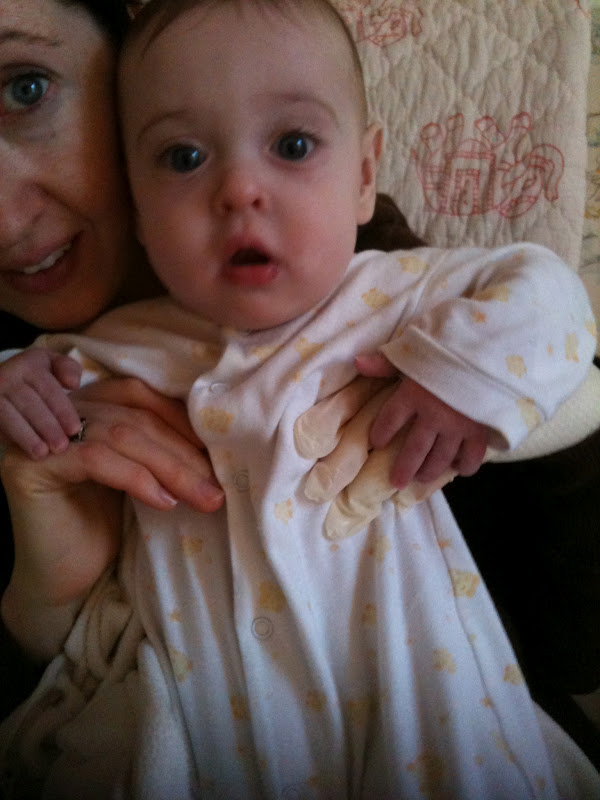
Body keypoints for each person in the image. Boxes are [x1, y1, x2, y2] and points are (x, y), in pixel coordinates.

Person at [2, 1, 598, 796]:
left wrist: (465, 381)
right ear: (141, 211)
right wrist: (16, 385)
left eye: (292, 146)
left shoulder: (390, 292)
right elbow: (36, 377)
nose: (239, 189)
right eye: (183, 158)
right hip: (211, 732)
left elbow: (548, 290)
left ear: (364, 176)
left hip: (418, 708)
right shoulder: (130, 342)